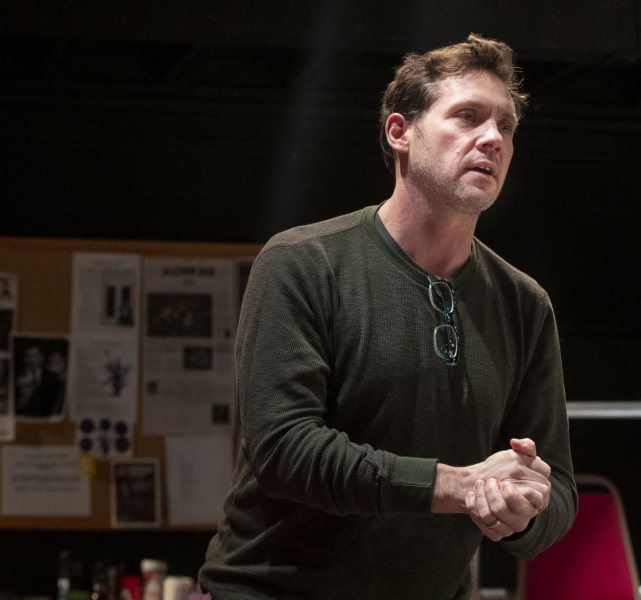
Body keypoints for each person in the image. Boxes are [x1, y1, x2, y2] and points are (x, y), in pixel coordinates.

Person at [199, 33, 577, 599]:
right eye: (468, 116)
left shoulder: (524, 304)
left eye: (505, 125)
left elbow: (561, 491)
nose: (493, 138)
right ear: (400, 132)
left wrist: (522, 508)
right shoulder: (303, 263)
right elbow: (285, 448)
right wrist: (457, 485)